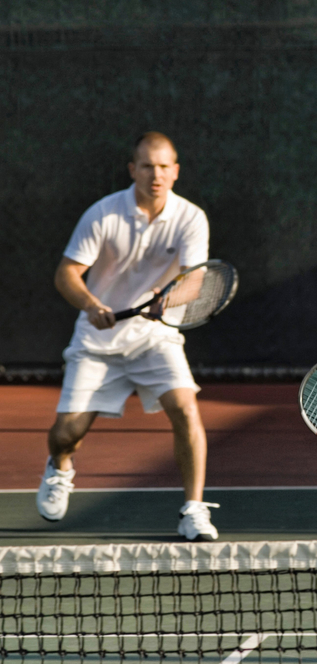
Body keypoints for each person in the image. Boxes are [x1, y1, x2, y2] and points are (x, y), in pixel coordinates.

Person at [37, 132, 220, 542]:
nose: (156, 174)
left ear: (175, 171)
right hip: (96, 342)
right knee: (66, 434)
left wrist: (165, 297)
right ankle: (59, 467)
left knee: (186, 408)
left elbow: (196, 282)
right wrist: (90, 305)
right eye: (147, 166)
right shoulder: (103, 214)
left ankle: (193, 510)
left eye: (163, 166)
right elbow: (66, 273)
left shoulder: (191, 217)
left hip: (155, 337)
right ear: (132, 170)